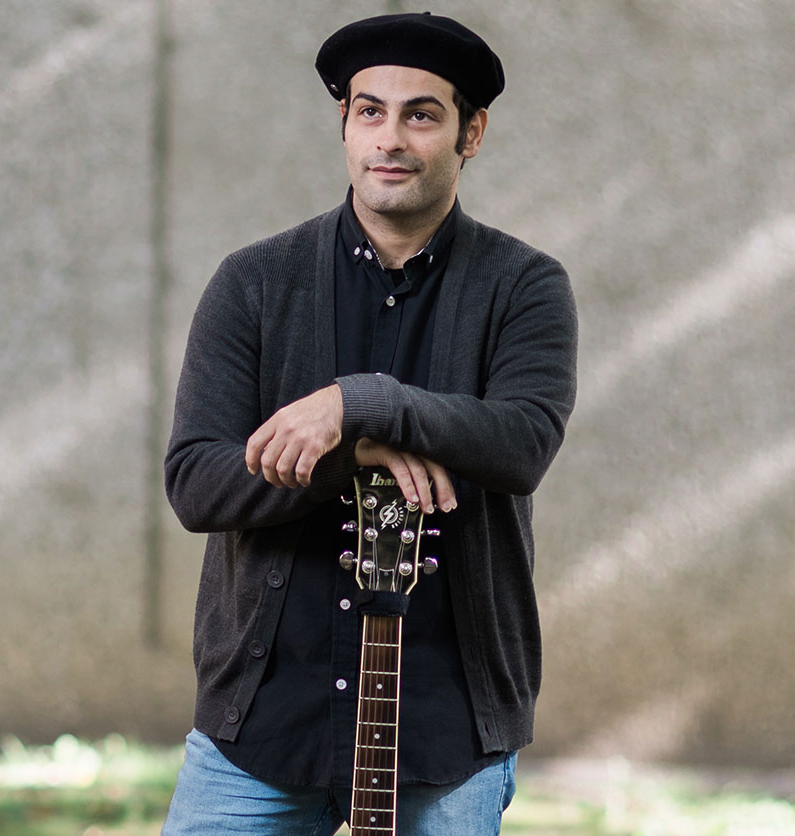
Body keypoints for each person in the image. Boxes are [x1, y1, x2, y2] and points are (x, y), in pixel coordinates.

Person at [161, 12, 577, 836]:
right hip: (262, 725)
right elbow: (196, 482)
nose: (391, 137)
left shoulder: (525, 286)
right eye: (369, 110)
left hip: (445, 727)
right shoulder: (252, 283)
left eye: (422, 113)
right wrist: (356, 453)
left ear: (472, 133)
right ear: (345, 125)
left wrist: (361, 402)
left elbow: (522, 439)